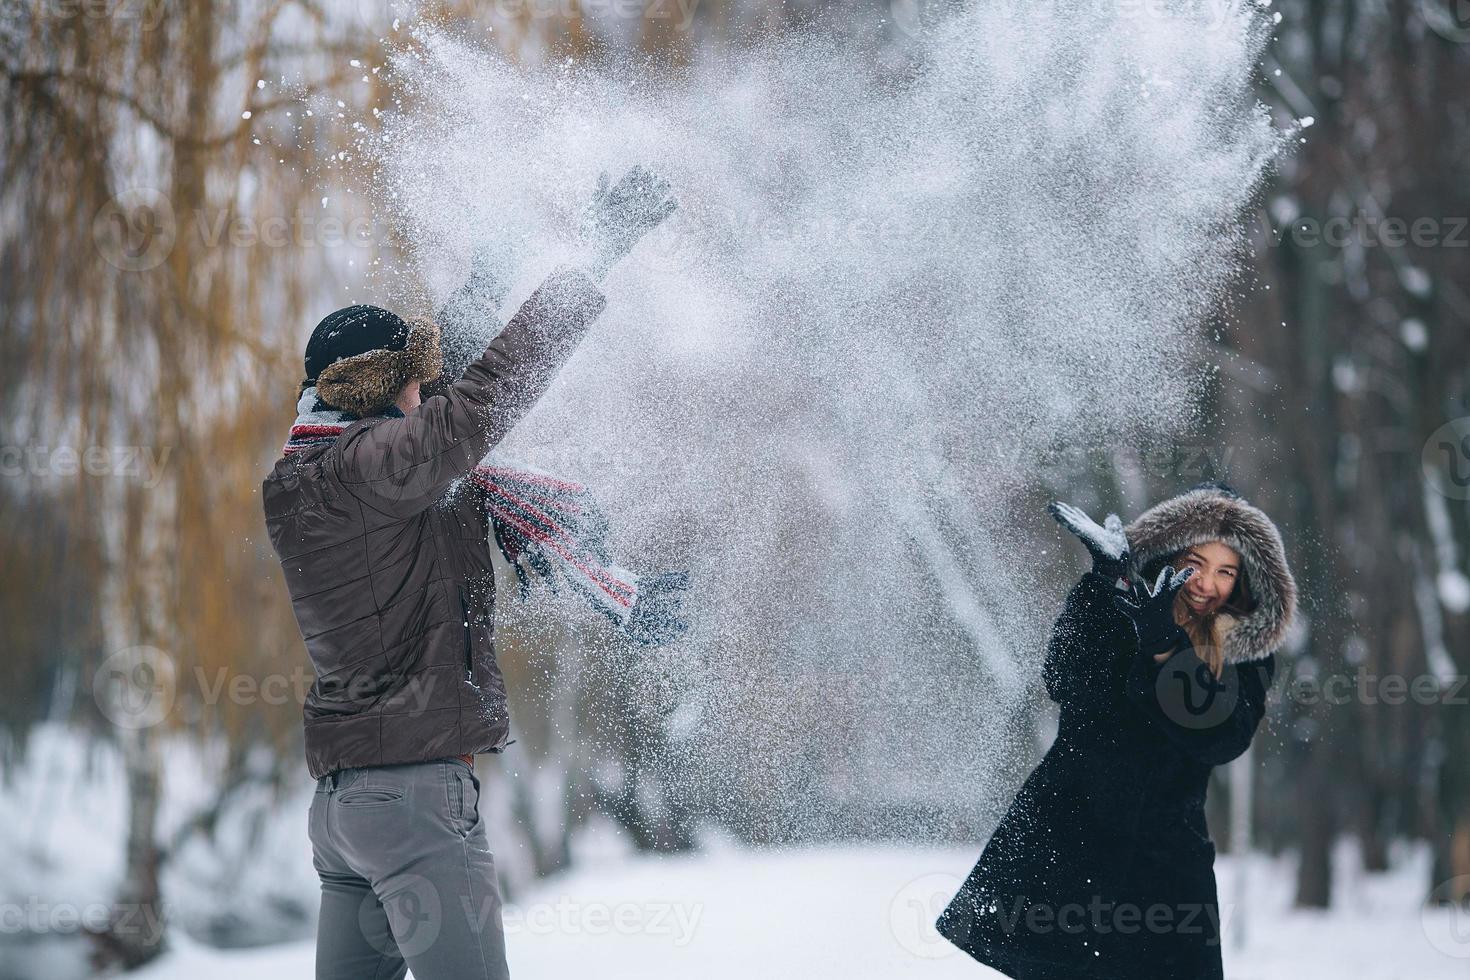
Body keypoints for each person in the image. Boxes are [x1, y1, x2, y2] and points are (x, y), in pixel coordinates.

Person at [262, 167, 681, 980]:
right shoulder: (372, 469)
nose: (426, 395)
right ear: (376, 396)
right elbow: (476, 405)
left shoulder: (306, 479)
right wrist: (595, 260)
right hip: (417, 803)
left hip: (347, 809)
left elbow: (447, 389)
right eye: (412, 385)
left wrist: (495, 267)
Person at [936, 481, 1297, 980]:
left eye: (1226, 571)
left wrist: (1167, 651)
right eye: (1196, 563)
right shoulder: (1117, 603)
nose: (1206, 584)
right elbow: (1063, 678)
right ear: (1169, 552)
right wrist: (1101, 586)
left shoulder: (1246, 652)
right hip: (1070, 841)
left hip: (1164, 869)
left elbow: (1223, 738)